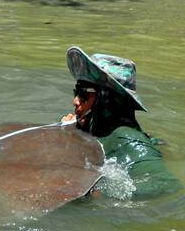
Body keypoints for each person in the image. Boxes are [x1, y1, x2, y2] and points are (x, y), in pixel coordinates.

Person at [61, 46, 181, 199]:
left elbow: (166, 185)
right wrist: (71, 135)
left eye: (84, 93)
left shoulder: (126, 139)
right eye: (76, 91)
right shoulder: (97, 129)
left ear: (106, 99)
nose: (75, 101)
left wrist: (93, 192)